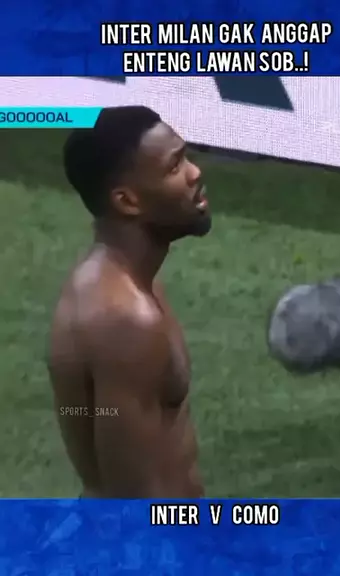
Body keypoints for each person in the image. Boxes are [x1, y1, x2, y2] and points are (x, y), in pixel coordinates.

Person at [48, 106, 212, 498]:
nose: (195, 173)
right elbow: (131, 504)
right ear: (127, 200)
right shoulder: (124, 319)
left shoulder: (137, 284)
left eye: (186, 157)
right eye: (174, 167)